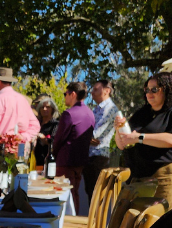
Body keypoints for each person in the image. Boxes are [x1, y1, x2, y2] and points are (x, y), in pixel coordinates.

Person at [115, 71, 172, 207]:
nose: (149, 93)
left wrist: (139, 137)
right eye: (147, 89)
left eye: (154, 89)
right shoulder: (142, 112)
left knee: (161, 224)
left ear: (167, 89)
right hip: (138, 178)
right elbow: (122, 145)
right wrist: (118, 130)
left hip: (164, 178)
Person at [53, 82, 95, 212]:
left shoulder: (69, 114)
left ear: (73, 94)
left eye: (65, 94)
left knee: (62, 194)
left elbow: (59, 139)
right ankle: (73, 218)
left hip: (65, 161)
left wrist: (52, 155)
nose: (65, 97)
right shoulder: (90, 114)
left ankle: (65, 223)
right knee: (74, 193)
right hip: (80, 161)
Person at [0, 66, 40, 143]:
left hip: (0, 150)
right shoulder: (23, 100)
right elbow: (35, 126)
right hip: (20, 149)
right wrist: (23, 137)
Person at [85, 80, 121, 200]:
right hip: (91, 155)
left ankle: (96, 220)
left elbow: (95, 134)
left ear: (107, 91)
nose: (92, 92)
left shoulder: (110, 109)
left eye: (95, 89)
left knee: (97, 195)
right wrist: (87, 138)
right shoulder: (97, 108)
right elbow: (89, 133)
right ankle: (92, 219)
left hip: (99, 156)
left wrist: (84, 137)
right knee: (91, 193)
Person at [33, 96, 60, 168]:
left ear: (52, 109)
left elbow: (53, 142)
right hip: (34, 159)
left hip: (47, 161)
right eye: (42, 107)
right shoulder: (36, 123)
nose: (44, 109)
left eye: (48, 107)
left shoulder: (55, 124)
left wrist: (41, 136)